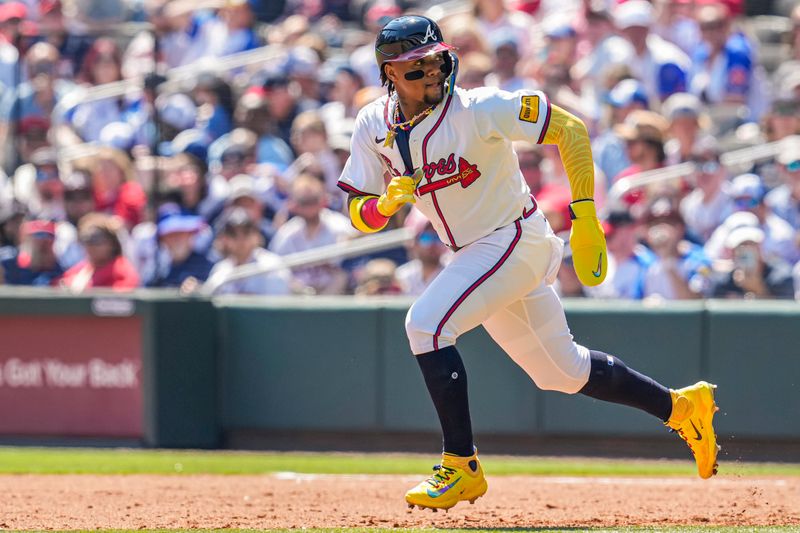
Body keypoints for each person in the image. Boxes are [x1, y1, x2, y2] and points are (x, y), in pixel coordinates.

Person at [338, 15, 720, 512]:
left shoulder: (477, 107)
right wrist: (383, 207)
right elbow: (356, 213)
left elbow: (569, 128)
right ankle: (683, 407)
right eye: (416, 67)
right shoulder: (373, 124)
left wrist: (584, 216)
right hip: (477, 252)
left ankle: (461, 465)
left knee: (426, 326)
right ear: (389, 73)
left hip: (515, 236)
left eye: (435, 60)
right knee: (562, 372)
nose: (432, 72)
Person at [60, 213, 139, 292]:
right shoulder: (82, 268)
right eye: (86, 240)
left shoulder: (121, 270)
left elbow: (121, 298)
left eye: (96, 240)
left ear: (112, 244)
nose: (91, 246)